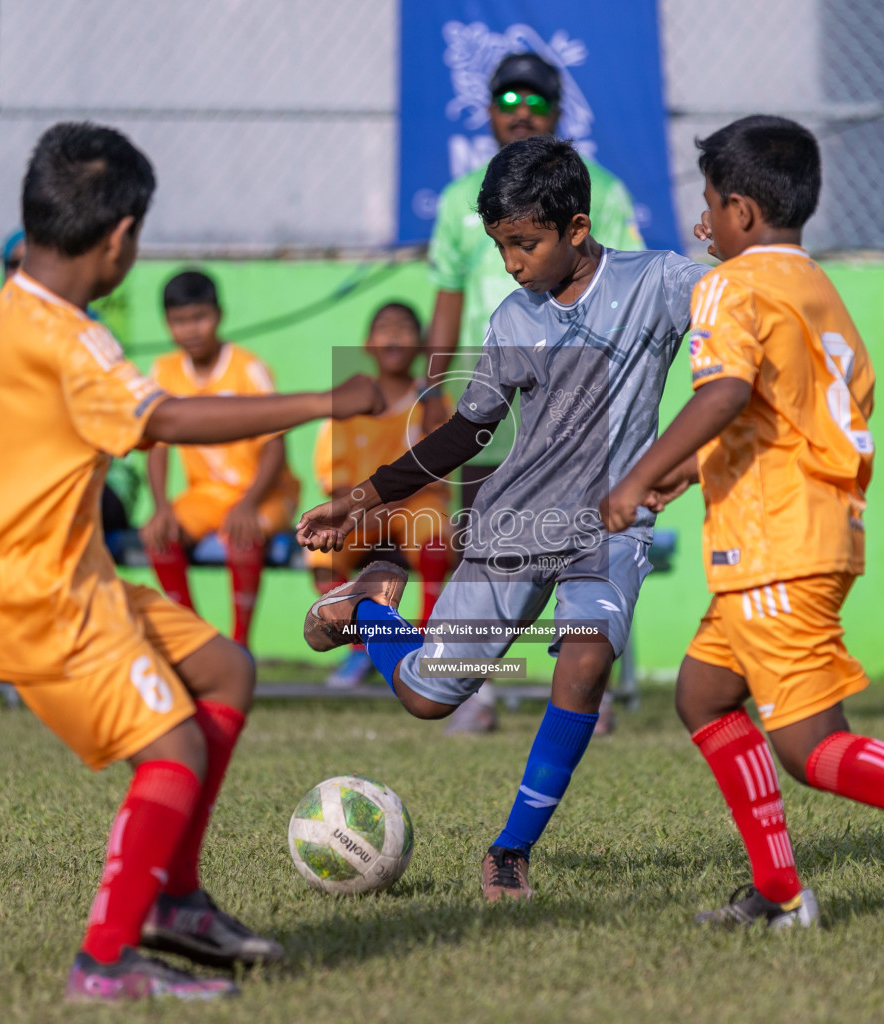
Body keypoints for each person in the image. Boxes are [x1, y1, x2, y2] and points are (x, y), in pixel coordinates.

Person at [0, 122, 384, 1001]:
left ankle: (179, 899)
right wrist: (325, 399)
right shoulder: (74, 340)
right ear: (121, 237)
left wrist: (18, 471)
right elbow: (162, 420)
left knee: (227, 672)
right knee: (173, 749)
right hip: (34, 592)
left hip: (35, 571)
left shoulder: (1, 311)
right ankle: (106, 960)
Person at [602, 116, 884, 936]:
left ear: (738, 210)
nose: (702, 222)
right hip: (811, 529)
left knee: (812, 748)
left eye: (708, 203)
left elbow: (726, 394)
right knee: (704, 695)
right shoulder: (812, 286)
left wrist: (636, 473)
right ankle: (778, 892)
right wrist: (682, 474)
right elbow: (785, 413)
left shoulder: (730, 286)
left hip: (773, 542)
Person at [296, 137, 707, 901]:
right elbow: (465, 431)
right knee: (428, 696)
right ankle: (365, 609)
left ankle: (510, 849)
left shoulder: (657, 281)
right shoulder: (515, 316)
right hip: (513, 527)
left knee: (585, 668)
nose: (513, 262)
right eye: (500, 246)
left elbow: (742, 307)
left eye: (525, 243)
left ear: (576, 228)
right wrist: (361, 501)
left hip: (610, 527)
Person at [426, 51, 647, 734]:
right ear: (488, 114)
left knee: (587, 542)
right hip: (491, 403)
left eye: (536, 104)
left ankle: (588, 692)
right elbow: (446, 299)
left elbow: (625, 282)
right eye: (507, 102)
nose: (521, 115)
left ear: (557, 115)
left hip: (577, 401)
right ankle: (480, 690)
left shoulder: (600, 191)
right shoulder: (463, 202)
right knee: (486, 541)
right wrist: (438, 398)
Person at [0, 230, 138, 687]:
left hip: (98, 481)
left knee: (35, 513)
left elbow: (118, 435)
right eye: (12, 265)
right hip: (24, 482)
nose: (19, 274)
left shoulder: (82, 335)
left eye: (27, 263)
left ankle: (43, 658)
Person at [138, 270, 299, 649]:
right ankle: (195, 642)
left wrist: (249, 503)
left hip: (264, 493)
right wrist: (161, 507)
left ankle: (240, 646)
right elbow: (156, 446)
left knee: (242, 536)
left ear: (219, 315)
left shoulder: (248, 368)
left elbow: (275, 445)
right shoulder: (164, 371)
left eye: (200, 318)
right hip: (207, 495)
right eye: (179, 321)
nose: (191, 329)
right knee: (159, 536)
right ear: (167, 323)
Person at [309, 301, 453, 689]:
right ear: (368, 345)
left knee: (436, 542)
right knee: (322, 550)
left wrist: (387, 506)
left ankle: (427, 643)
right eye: (384, 327)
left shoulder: (433, 402)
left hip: (413, 506)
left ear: (422, 347)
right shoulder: (348, 401)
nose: (394, 334)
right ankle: (360, 648)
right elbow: (334, 478)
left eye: (405, 327)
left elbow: (439, 474)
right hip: (361, 510)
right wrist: (364, 508)